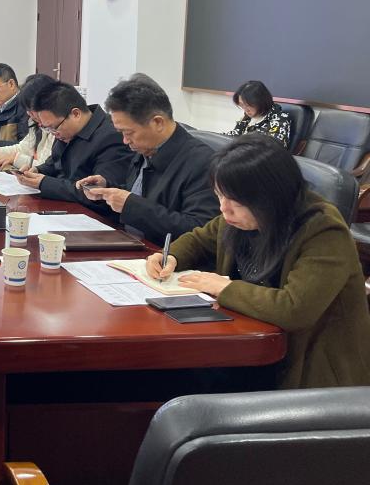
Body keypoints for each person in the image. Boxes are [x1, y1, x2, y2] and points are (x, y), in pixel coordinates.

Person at [146, 135, 370, 389]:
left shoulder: (323, 229)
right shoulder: (241, 216)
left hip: (305, 366)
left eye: (236, 201)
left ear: (272, 196)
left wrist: (224, 287)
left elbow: (295, 309)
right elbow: (199, 239)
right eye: (219, 195)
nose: (224, 209)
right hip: (245, 341)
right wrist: (170, 256)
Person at [76, 76, 219, 243]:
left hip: (164, 254)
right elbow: (142, 194)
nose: (125, 141)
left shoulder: (202, 163)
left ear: (158, 123)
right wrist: (106, 189)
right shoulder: (146, 149)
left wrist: (131, 206)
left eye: (129, 133)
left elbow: (199, 231)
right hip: (129, 242)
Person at [17, 82, 133, 205]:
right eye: (47, 128)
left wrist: (44, 183)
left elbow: (99, 194)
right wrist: (37, 171)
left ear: (76, 114)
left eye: (53, 127)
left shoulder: (111, 137)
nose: (53, 133)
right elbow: (55, 163)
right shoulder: (64, 131)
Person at [0, 74, 57, 170]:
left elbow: (46, 166)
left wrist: (15, 159)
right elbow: (23, 148)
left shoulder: (57, 128)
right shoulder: (35, 122)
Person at [226, 80, 291, 147]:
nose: (245, 109)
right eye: (242, 105)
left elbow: (272, 148)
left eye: (248, 105)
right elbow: (233, 136)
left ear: (261, 102)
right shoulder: (247, 118)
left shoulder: (279, 119)